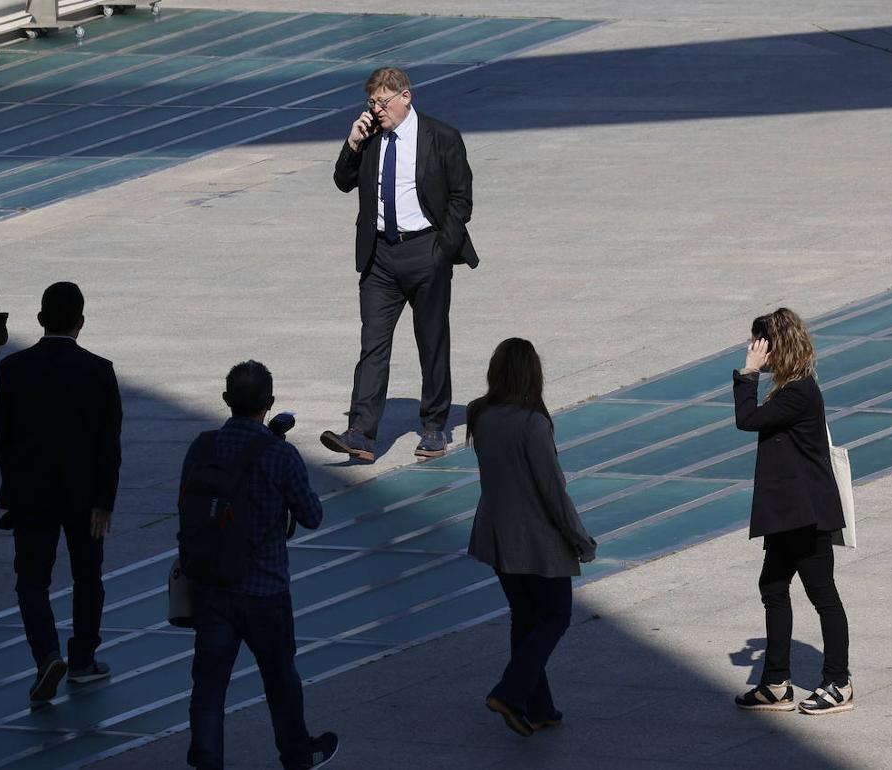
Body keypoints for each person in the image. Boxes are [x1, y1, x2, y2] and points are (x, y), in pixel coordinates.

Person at [184, 361, 338, 770]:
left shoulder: (201, 447)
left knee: (210, 685)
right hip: (265, 588)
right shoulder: (280, 455)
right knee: (280, 678)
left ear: (225, 400)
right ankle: (297, 755)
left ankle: (206, 760)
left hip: (212, 584)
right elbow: (312, 515)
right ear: (269, 404)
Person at [320, 66, 478, 463]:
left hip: (426, 250)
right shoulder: (370, 137)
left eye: (382, 102)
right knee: (372, 343)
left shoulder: (440, 137)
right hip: (380, 256)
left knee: (431, 341)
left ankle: (434, 426)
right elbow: (342, 180)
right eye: (371, 103)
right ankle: (361, 432)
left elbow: (462, 197)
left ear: (406, 96)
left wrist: (444, 247)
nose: (377, 110)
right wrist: (352, 143)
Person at [0, 282, 122, 703]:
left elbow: (5, 439)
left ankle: (46, 654)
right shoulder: (100, 371)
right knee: (88, 577)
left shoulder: (13, 370)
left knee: (32, 580)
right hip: (84, 496)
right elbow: (109, 446)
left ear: (39, 319)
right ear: (80, 323)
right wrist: (105, 500)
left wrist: (12, 491)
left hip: (32, 494)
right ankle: (83, 660)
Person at [465, 338, 596, 737]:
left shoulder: (480, 414)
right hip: (537, 540)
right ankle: (510, 692)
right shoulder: (532, 423)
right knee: (555, 617)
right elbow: (553, 491)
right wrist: (580, 538)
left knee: (524, 619)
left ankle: (540, 707)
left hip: (496, 535)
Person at [732, 308, 853, 715]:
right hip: (788, 513)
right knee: (773, 588)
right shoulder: (790, 389)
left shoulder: (798, 391)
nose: (754, 351)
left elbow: (745, 419)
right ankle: (776, 683)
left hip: (805, 514)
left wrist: (747, 373)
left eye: (759, 344)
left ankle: (838, 682)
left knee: (823, 595)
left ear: (775, 346)